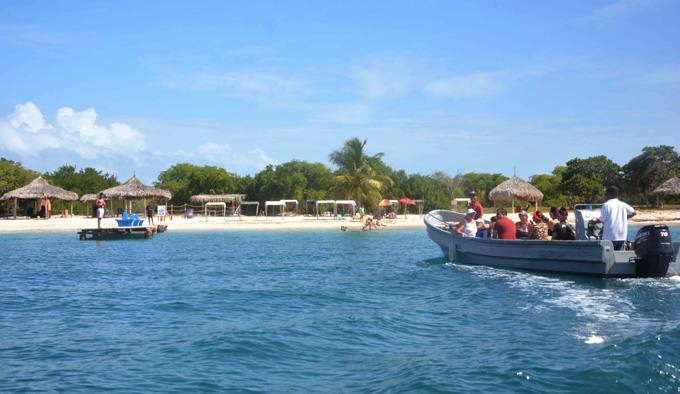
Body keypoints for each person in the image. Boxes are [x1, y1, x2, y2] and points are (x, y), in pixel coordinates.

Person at [590, 185, 636, 250]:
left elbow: (602, 219)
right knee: (619, 256)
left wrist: (593, 221)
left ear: (609, 194)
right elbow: (634, 212)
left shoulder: (606, 205)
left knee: (609, 257)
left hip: (609, 237)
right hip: (622, 236)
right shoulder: (623, 204)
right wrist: (624, 217)